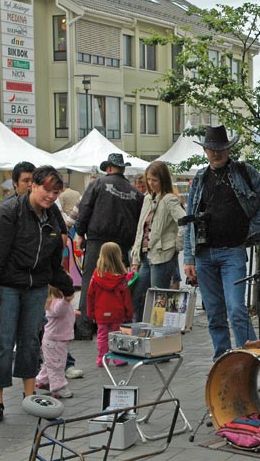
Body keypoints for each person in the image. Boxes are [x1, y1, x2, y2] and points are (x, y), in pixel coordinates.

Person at [0, 166, 75, 423]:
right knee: (1, 342)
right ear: (33, 185)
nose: (51, 196)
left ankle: (31, 397)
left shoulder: (52, 214)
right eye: (46, 189)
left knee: (31, 341)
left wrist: (65, 285)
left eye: (55, 192)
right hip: (7, 286)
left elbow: (54, 260)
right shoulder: (8, 211)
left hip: (36, 286)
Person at [183, 125, 260, 360]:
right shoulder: (200, 178)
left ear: (228, 149)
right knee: (214, 313)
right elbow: (190, 220)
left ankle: (249, 358)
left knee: (237, 309)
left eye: (220, 149)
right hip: (204, 254)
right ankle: (223, 360)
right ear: (205, 150)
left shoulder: (244, 172)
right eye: (211, 149)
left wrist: (249, 229)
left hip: (232, 252)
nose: (216, 153)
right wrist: (189, 258)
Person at [75, 153, 143, 339]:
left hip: (98, 240)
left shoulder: (98, 184)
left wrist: (80, 233)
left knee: (91, 281)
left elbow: (85, 208)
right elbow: (139, 221)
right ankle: (117, 324)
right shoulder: (135, 192)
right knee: (119, 283)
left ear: (109, 168)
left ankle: (85, 328)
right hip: (122, 244)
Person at [130, 161, 186, 322]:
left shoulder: (169, 199)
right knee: (138, 295)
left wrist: (176, 246)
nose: (150, 183)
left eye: (154, 180)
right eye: (148, 179)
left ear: (163, 180)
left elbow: (184, 223)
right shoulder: (147, 198)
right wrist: (135, 258)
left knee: (159, 299)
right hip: (146, 256)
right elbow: (141, 228)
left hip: (162, 255)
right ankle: (141, 329)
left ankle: (159, 333)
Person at [87, 242, 133, 367]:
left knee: (102, 336)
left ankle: (102, 358)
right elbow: (126, 297)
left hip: (100, 312)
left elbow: (90, 295)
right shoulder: (121, 279)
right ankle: (118, 358)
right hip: (117, 312)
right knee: (117, 334)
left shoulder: (96, 276)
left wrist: (90, 313)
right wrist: (129, 313)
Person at [35, 287, 75, 398]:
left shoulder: (52, 302)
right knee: (57, 365)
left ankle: (42, 380)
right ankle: (58, 388)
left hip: (52, 340)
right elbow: (59, 310)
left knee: (51, 362)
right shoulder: (58, 303)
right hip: (56, 341)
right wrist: (66, 300)